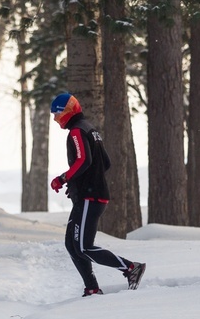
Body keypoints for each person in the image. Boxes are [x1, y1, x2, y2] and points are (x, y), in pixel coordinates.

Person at [50, 93, 146, 297]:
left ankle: (130, 268)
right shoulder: (90, 130)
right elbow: (105, 162)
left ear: (67, 112)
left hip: (89, 198)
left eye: (57, 114)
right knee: (72, 244)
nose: (55, 119)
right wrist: (80, 181)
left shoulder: (76, 131)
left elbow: (83, 160)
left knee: (83, 247)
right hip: (90, 195)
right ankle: (91, 288)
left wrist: (64, 178)